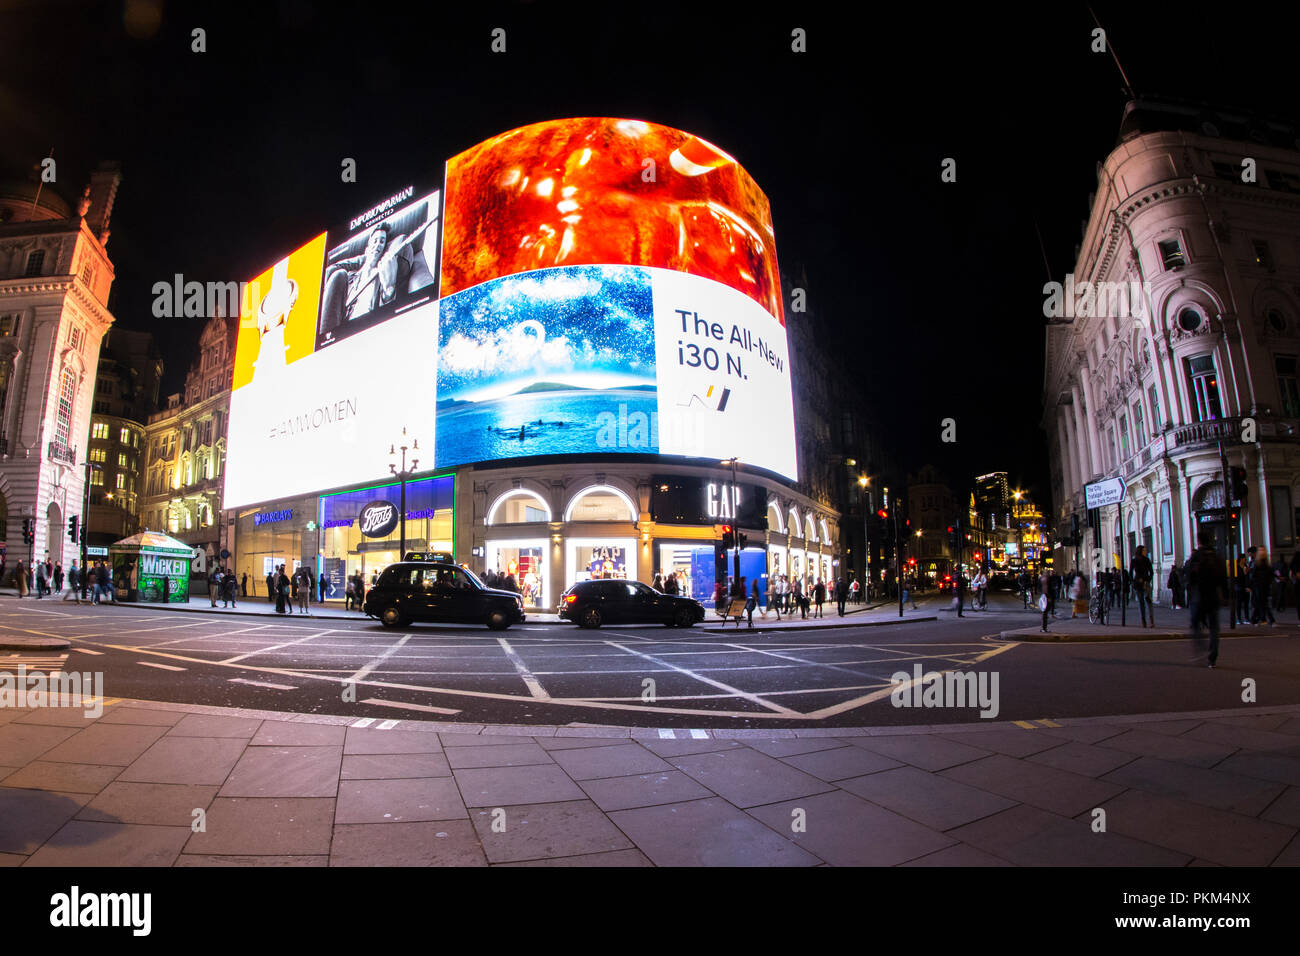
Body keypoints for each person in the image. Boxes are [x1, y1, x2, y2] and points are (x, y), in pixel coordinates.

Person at [1186, 529, 1226, 667]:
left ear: (1199, 541)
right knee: (1214, 628)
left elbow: (1189, 576)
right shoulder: (1216, 555)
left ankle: (1201, 646)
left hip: (1199, 596)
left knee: (1195, 623)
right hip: (1214, 596)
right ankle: (1212, 657)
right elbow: (1223, 577)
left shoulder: (1196, 556)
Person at [1251, 548, 1277, 626]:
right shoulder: (1257, 563)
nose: (1262, 552)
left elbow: (1270, 573)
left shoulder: (1266, 563)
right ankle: (1269, 619)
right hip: (1258, 586)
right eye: (1260, 550)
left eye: (1263, 550)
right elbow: (1253, 575)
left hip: (1264, 586)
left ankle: (1258, 619)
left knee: (1262, 603)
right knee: (1262, 603)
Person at [1132, 545, 1154, 628]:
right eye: (1144, 550)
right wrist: (1133, 581)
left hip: (1145, 583)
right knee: (1141, 603)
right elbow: (1131, 572)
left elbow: (1151, 572)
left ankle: (1151, 620)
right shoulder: (1134, 561)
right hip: (1137, 584)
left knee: (1148, 601)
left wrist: (1147, 580)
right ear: (1140, 551)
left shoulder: (1147, 560)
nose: (1145, 551)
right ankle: (1143, 620)